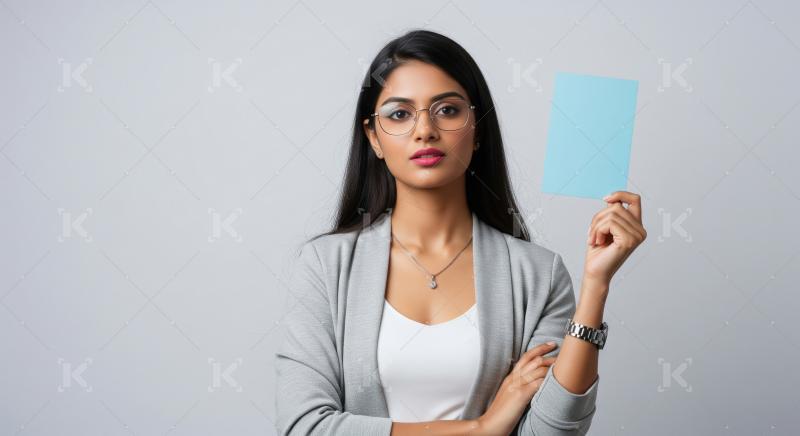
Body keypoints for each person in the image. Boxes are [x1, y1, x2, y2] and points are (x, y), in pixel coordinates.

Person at [275, 29, 647, 435]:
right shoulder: (327, 266)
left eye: (447, 110)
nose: (425, 131)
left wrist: (596, 284)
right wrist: (481, 429)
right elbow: (305, 428)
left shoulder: (537, 274)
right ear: (374, 138)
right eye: (399, 114)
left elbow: (553, 432)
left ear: (479, 128)